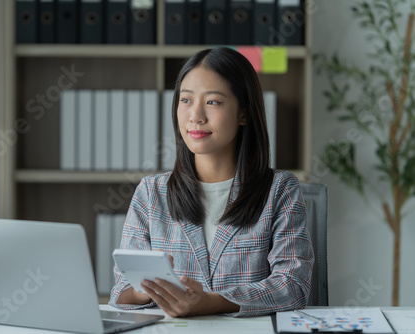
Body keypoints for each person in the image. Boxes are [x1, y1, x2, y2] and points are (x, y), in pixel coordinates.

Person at [109, 47, 314, 318]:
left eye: (213, 102)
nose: (196, 116)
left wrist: (213, 302)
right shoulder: (151, 192)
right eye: (186, 100)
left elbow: (293, 285)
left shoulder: (278, 189)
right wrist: (147, 289)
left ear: (244, 113)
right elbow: (121, 291)